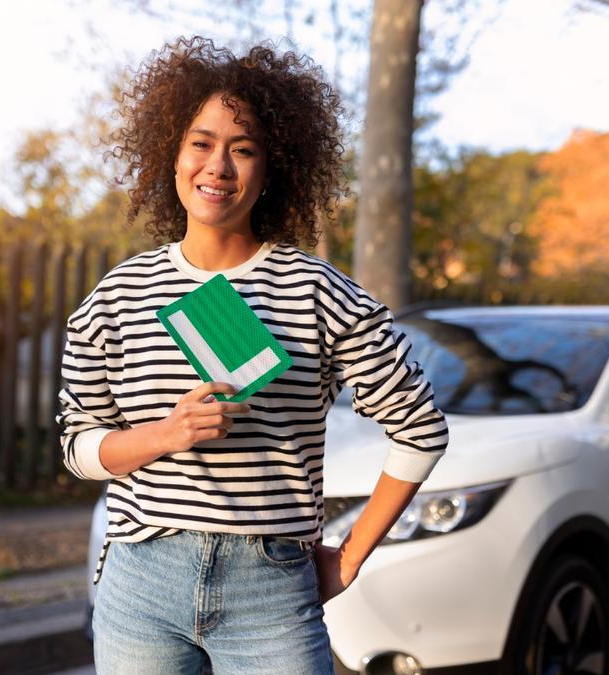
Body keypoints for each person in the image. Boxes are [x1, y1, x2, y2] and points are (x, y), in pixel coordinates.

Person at [57, 36, 449, 675]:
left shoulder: (317, 291)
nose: (218, 167)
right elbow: (79, 447)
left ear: (273, 170)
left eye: (243, 149)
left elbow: (421, 429)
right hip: (140, 585)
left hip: (270, 589)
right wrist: (166, 434)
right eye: (201, 143)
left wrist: (350, 556)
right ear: (171, 153)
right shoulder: (117, 296)